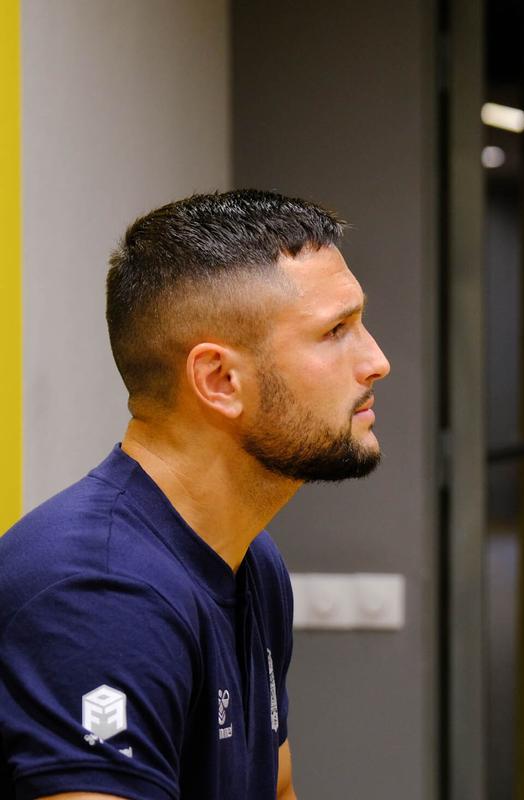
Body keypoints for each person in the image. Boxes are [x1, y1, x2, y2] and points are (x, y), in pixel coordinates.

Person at [0, 190, 391, 799]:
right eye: (335, 330)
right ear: (219, 380)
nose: (376, 361)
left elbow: (277, 789)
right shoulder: (99, 596)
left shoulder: (248, 558)